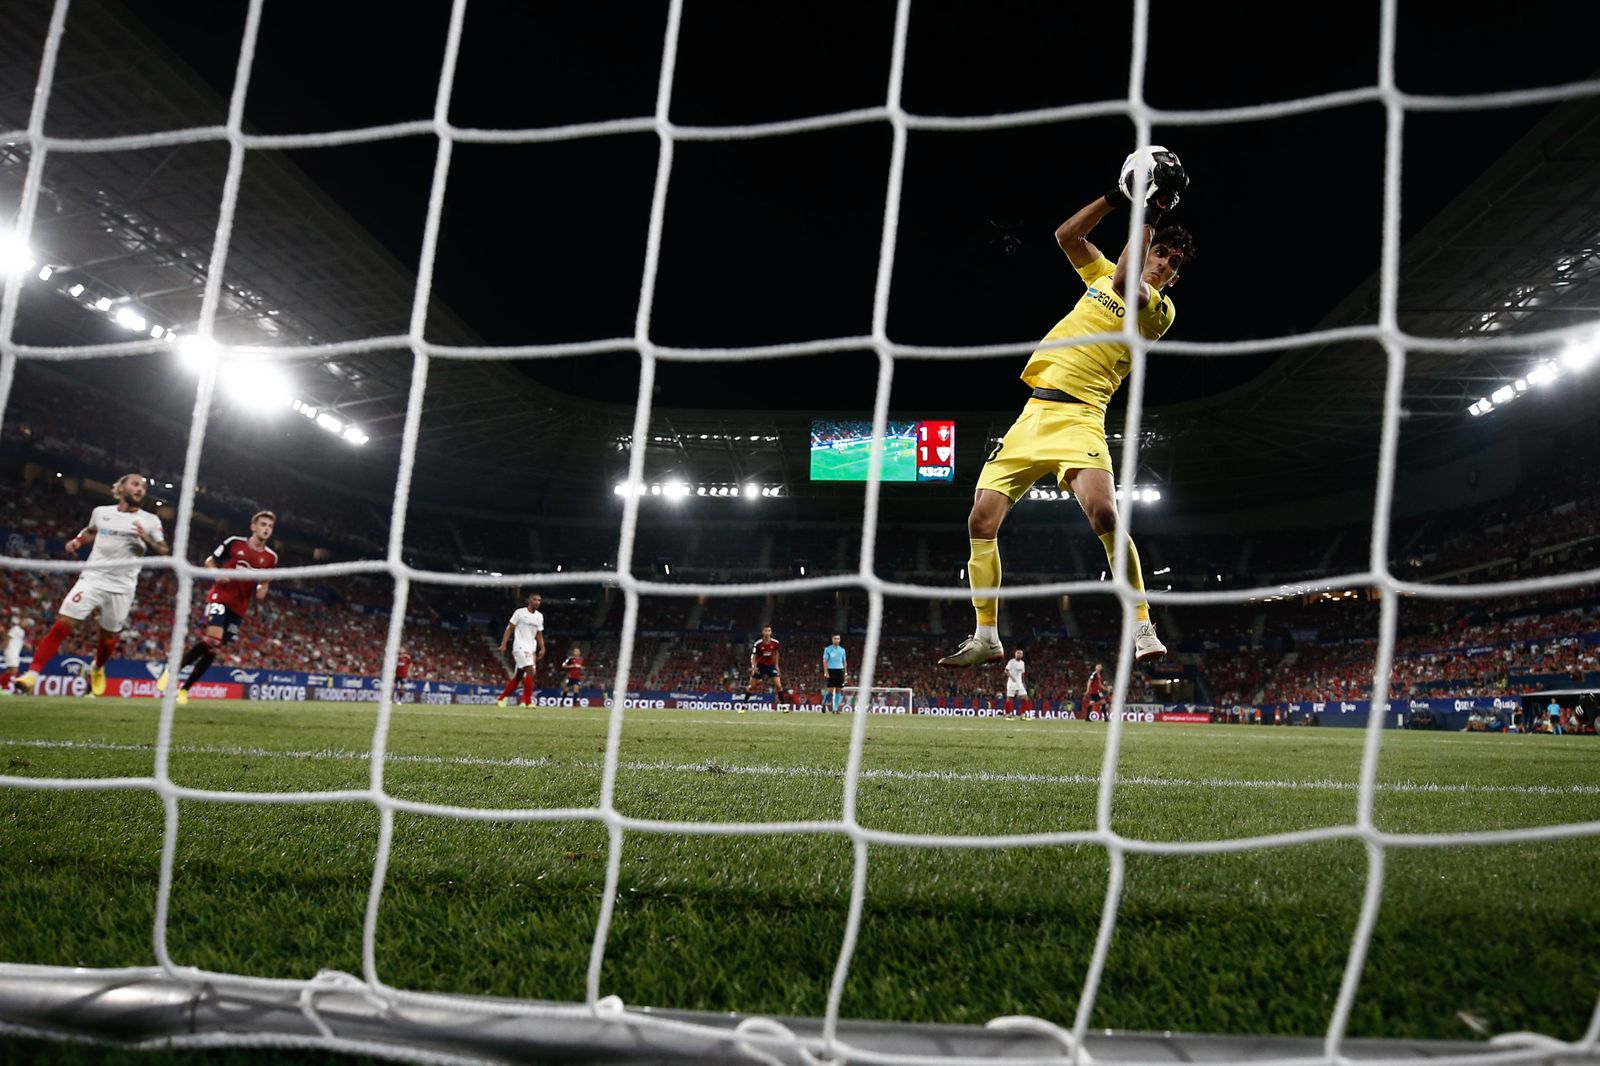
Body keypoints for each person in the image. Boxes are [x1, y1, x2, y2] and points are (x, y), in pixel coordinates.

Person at [938, 155, 1191, 668]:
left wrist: (1145, 212)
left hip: (1080, 419)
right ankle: (987, 634)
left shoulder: (1157, 309)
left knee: (1104, 513)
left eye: (1171, 263)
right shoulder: (1101, 275)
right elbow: (1066, 237)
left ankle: (1142, 625)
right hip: (1033, 416)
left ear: (1174, 279)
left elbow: (1126, 283)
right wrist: (1119, 197)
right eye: (1159, 253)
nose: (1161, 262)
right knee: (980, 521)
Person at [17, 473, 170, 695]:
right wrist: (77, 541)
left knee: (108, 638)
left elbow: (165, 551)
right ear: (122, 488)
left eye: (143, 487)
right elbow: (90, 531)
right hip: (93, 578)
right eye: (135, 485)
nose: (140, 490)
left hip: (123, 586)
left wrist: (146, 538)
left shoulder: (150, 521)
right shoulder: (101, 512)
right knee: (63, 623)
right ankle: (32, 674)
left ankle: (97, 668)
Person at [158, 511, 277, 705]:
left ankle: (185, 690)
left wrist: (263, 588)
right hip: (220, 596)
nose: (266, 529)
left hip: (240, 606)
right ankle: (172, 672)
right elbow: (209, 560)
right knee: (212, 640)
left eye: (270, 527)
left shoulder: (271, 557)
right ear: (253, 527)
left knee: (214, 650)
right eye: (263, 524)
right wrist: (216, 574)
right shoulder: (235, 543)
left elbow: (266, 579)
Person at [496, 592, 545, 708]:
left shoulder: (539, 616)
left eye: (539, 600)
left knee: (518, 676)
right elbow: (509, 629)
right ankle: (528, 702)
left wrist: (542, 647)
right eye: (534, 599)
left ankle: (501, 699)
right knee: (530, 671)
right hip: (520, 646)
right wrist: (503, 644)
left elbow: (539, 634)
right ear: (529, 600)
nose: (537, 602)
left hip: (531, 647)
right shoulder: (519, 613)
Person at [749, 624, 785, 710]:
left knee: (779, 686)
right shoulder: (758, 644)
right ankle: (744, 706)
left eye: (769, 631)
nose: (767, 632)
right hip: (760, 666)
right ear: (763, 632)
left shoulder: (775, 643)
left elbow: (776, 653)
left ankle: (783, 706)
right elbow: (753, 657)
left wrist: (776, 665)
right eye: (765, 630)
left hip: (771, 666)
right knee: (751, 687)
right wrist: (754, 667)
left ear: (771, 632)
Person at [1, 616, 30, 693]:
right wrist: (2, 647)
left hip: (15, 652)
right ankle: (4, 686)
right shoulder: (15, 628)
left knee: (10, 670)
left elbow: (20, 641)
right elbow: (8, 637)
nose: (26, 624)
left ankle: (3, 687)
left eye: (27, 623)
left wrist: (26, 646)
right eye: (24, 622)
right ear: (20, 621)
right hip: (10, 651)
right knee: (14, 670)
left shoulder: (22, 632)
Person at [821, 634, 847, 713]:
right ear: (832, 639)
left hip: (840, 670)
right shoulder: (827, 649)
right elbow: (825, 661)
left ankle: (835, 709)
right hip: (831, 670)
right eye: (835, 638)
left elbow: (844, 662)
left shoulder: (842, 650)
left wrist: (845, 673)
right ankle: (824, 703)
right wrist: (826, 672)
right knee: (831, 691)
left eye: (838, 639)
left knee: (839, 690)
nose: (837, 640)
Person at [1003, 648, 1028, 716]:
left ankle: (1023, 714)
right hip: (1012, 683)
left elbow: (1022, 674)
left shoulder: (1022, 663)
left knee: (1025, 698)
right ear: (1015, 654)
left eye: (1020, 654)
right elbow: (1006, 671)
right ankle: (1007, 714)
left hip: (1019, 683)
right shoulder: (1011, 662)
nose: (1019, 655)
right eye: (1018, 653)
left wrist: (1023, 682)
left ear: (1022, 655)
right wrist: (1011, 677)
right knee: (1010, 698)